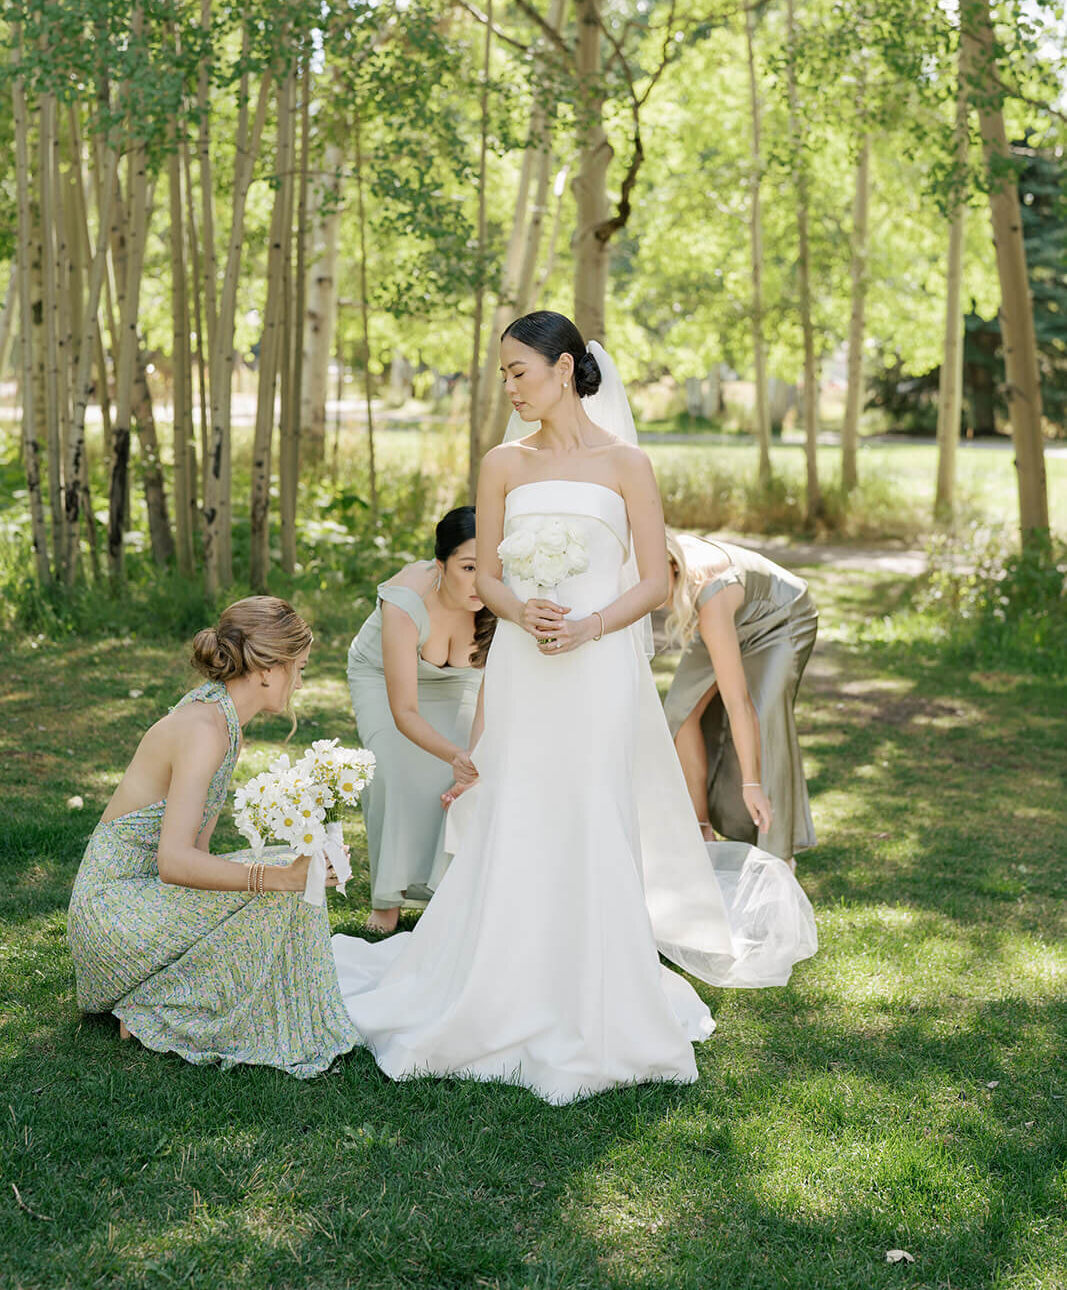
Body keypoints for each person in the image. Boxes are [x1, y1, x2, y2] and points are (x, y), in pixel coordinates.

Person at [330, 311, 816, 1105]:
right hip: (525, 658)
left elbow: (655, 583)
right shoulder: (500, 464)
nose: (509, 388)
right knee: (517, 800)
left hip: (597, 667)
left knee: (590, 805)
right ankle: (495, 976)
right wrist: (519, 612)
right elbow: (487, 577)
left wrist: (591, 624)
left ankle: (593, 984)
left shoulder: (626, 462)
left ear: (564, 369)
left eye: (518, 371)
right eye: (502, 376)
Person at [67, 597, 359, 1078]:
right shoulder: (204, 729)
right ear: (267, 669)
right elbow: (176, 864)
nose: (302, 682)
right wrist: (279, 878)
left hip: (147, 898)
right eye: (299, 668)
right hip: (112, 914)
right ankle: (156, 1008)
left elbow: (196, 855)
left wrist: (295, 865)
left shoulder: (225, 722)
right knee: (283, 885)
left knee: (291, 871)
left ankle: (171, 995)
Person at [346, 506, 492, 933]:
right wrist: (454, 755)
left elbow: (488, 693)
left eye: (489, 569)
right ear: (440, 563)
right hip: (383, 678)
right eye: (468, 567)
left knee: (465, 778)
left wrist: (469, 762)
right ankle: (386, 899)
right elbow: (404, 712)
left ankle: (442, 890)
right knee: (393, 765)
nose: (480, 580)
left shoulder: (498, 601)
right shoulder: (405, 603)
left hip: (460, 683)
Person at [663, 529, 818, 865]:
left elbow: (738, 703)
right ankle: (701, 829)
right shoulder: (663, 564)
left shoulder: (710, 594)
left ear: (673, 567)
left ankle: (777, 852)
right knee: (679, 711)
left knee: (766, 716)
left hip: (780, 620)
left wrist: (751, 783)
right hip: (728, 617)